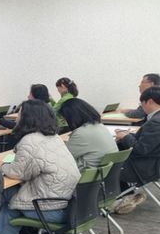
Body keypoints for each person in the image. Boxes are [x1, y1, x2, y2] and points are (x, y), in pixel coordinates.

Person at [0, 100, 80, 234]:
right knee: (8, 202)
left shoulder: (30, 141)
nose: (16, 117)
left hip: (49, 207)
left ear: (28, 117)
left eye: (19, 114)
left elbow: (17, 172)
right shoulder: (53, 137)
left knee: (5, 199)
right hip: (70, 204)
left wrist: (0, 166)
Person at [112, 86, 160, 214]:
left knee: (110, 165)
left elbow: (141, 149)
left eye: (142, 103)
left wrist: (125, 137)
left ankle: (125, 197)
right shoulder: (155, 118)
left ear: (150, 101)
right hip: (153, 162)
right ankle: (129, 194)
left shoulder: (156, 122)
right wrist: (129, 135)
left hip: (146, 167)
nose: (141, 107)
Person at [59, 98, 118, 169]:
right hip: (104, 171)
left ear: (72, 117)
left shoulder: (80, 133)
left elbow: (65, 156)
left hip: (87, 172)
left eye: (64, 118)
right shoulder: (100, 125)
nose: (64, 121)